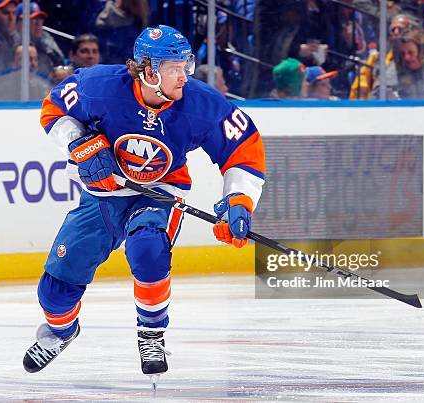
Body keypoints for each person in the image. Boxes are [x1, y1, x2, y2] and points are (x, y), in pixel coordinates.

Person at [22, 25, 265, 385]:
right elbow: (54, 109)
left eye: (186, 65)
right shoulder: (99, 87)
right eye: (174, 68)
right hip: (102, 197)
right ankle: (60, 331)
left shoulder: (200, 103)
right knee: (54, 293)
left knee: (147, 247)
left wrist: (239, 199)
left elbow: (243, 150)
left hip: (160, 192)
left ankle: (151, 334)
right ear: (149, 70)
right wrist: (80, 144)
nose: (184, 75)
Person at [15, 2, 64, 77]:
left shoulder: (45, 36)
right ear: (20, 22)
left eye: (40, 18)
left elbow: (60, 59)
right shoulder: (13, 42)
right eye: (33, 19)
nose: (38, 23)